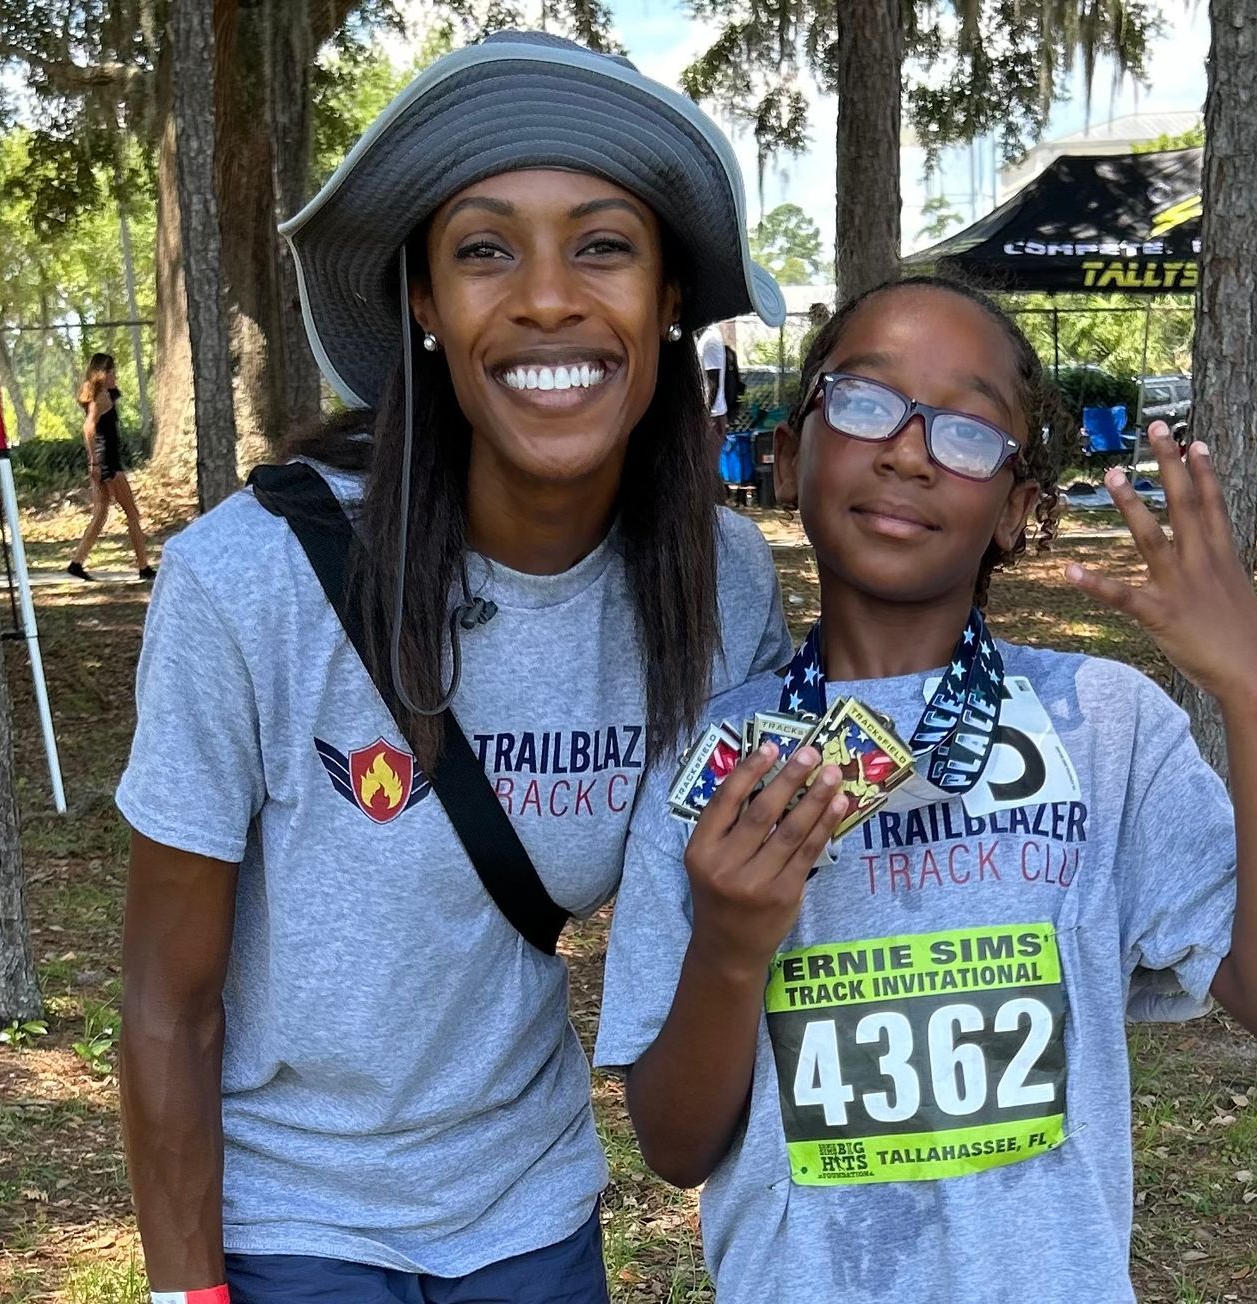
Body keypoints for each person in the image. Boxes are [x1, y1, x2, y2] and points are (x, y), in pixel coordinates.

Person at [116, 32, 793, 1303]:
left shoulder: (718, 584)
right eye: (485, 249)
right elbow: (166, 995)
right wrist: (186, 1290)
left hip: (530, 1215)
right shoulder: (249, 577)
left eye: (603, 244)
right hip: (288, 1222)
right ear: (424, 301)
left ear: (665, 302)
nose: (546, 297)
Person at [596, 276, 1257, 1303]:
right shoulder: (713, 758)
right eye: (864, 402)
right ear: (787, 455)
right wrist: (732, 946)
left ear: (1019, 510)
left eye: (965, 432)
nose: (909, 449)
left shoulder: (1105, 727)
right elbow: (675, 1144)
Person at [66, 352, 155, 582]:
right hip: (108, 463)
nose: (115, 376)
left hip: (103, 460)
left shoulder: (105, 394)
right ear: (102, 374)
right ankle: (144, 566)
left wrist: (93, 461)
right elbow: (89, 429)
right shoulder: (102, 397)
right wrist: (94, 462)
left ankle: (76, 563)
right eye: (111, 372)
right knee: (132, 513)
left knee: (100, 513)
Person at [699, 322, 731, 445]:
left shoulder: (710, 339)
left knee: (706, 462)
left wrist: (705, 417)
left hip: (712, 416)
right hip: (710, 416)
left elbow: (713, 383)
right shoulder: (703, 336)